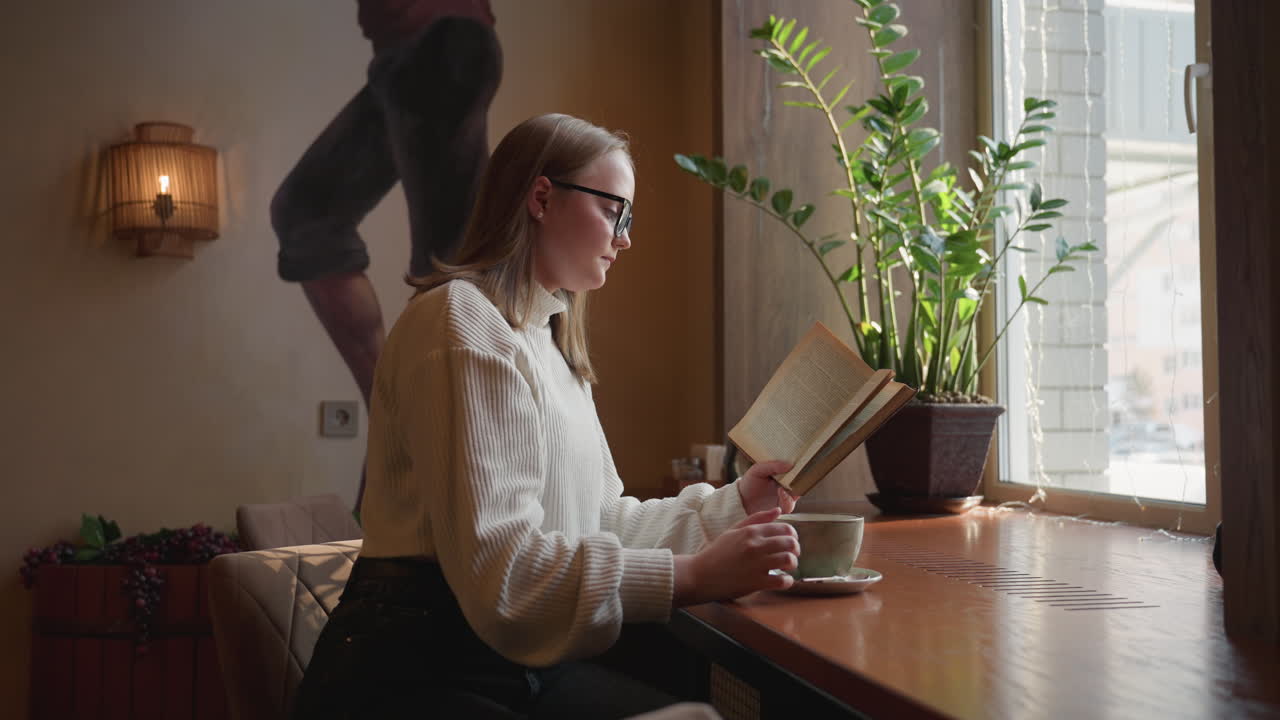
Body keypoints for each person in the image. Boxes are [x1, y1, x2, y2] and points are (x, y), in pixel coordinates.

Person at [290, 113, 802, 719]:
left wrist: (734, 505)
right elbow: (504, 572)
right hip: (416, 674)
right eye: (617, 211)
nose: (626, 238)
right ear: (541, 197)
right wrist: (688, 576)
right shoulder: (462, 322)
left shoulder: (551, 346)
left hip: (505, 665)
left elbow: (600, 521)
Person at [270, 1, 502, 512]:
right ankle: (400, 421)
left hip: (442, 46)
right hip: (403, 56)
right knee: (305, 213)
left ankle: (424, 455)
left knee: (444, 274)